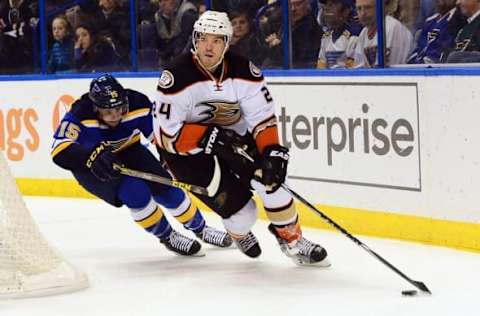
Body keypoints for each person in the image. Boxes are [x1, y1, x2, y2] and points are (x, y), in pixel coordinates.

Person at [153, 10, 330, 266]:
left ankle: (292, 240)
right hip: (188, 155)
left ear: (227, 43)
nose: (209, 46)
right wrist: (207, 136)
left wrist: (271, 152)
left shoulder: (245, 71)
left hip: (235, 139)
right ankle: (240, 233)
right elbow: (166, 137)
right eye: (203, 39)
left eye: (217, 40)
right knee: (244, 215)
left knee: (274, 183)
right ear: (195, 40)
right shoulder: (175, 78)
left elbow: (262, 119)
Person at [51, 74, 232, 257]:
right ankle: (167, 236)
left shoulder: (137, 103)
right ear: (95, 108)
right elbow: (59, 151)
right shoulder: (79, 114)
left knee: (166, 186)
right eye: (108, 112)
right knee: (136, 193)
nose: (115, 115)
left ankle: (201, 228)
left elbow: (161, 136)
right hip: (93, 167)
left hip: (130, 150)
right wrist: (90, 156)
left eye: (120, 108)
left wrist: (169, 158)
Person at [349, 0, 413, 67]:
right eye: (359, 8)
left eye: (368, 8)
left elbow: (389, 70)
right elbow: (359, 67)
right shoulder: (363, 33)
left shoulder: (391, 27)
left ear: (380, 8)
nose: (363, 13)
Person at [316, 0, 362, 69]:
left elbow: (352, 73)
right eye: (326, 4)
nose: (327, 8)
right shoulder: (326, 38)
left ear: (346, 11)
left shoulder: (354, 37)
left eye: (333, 4)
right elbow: (320, 70)